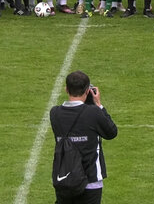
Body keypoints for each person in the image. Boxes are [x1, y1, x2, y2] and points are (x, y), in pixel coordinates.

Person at [50, 71, 118, 204]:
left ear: (66, 89)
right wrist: (98, 105)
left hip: (65, 178)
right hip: (90, 180)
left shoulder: (55, 113)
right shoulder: (93, 112)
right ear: (87, 91)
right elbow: (111, 132)